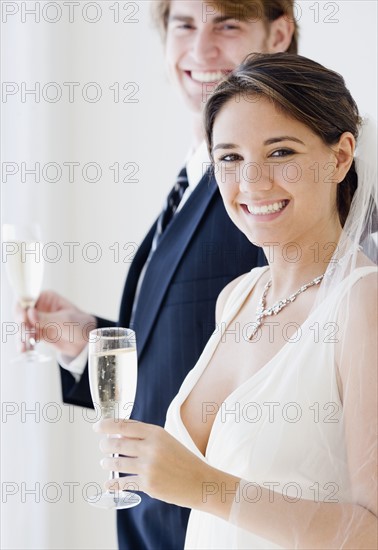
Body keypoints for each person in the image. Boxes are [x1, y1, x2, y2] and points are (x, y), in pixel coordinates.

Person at [23, 2, 298, 549]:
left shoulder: (271, 189)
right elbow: (192, 345)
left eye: (227, 24)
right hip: (155, 523)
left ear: (279, 33)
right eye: (185, 25)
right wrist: (87, 344)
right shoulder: (198, 171)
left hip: (212, 524)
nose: (201, 51)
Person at [95, 53, 378, 549]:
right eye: (229, 157)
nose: (252, 181)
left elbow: (372, 531)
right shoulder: (237, 297)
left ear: (340, 156)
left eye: (281, 153)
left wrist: (205, 487)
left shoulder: (364, 304)